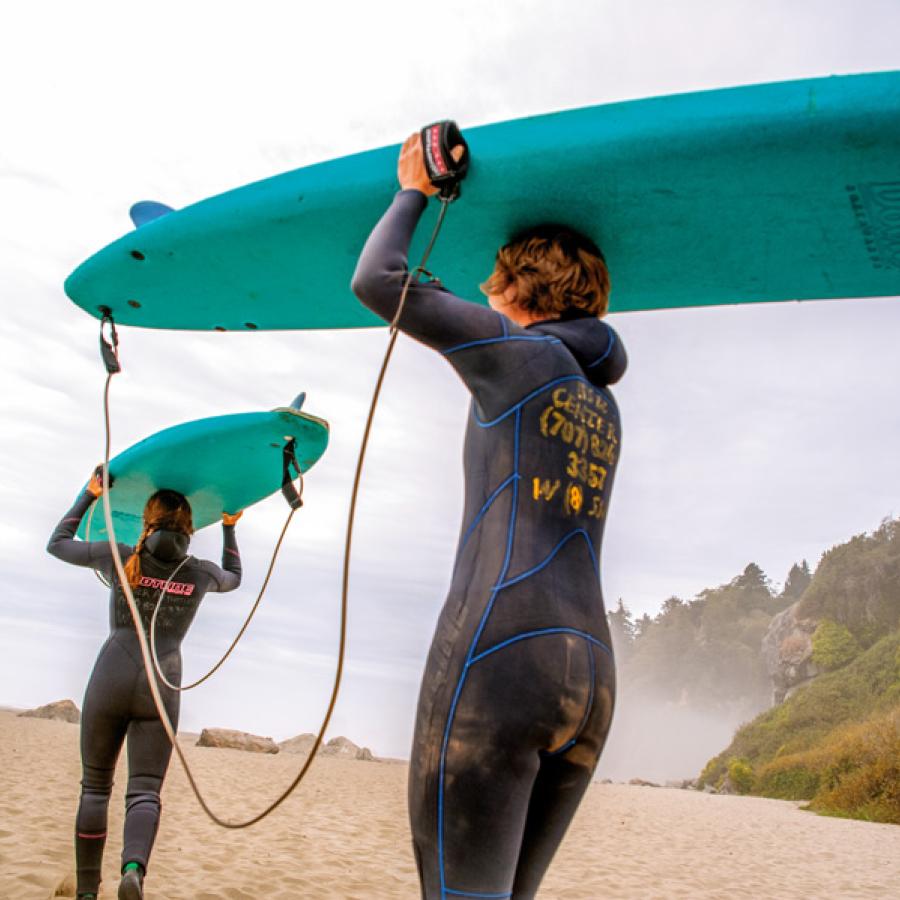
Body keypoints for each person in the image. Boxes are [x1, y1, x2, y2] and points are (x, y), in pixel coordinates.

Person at [351, 133, 627, 899]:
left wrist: (413, 187)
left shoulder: (520, 355)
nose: (482, 288)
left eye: (494, 280)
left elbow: (378, 280)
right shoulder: (601, 405)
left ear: (522, 293)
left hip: (501, 658)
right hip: (591, 678)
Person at [47, 470, 243, 900]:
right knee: (145, 790)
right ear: (191, 529)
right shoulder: (202, 572)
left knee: (96, 788)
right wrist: (229, 527)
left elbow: (58, 543)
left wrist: (89, 495)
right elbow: (235, 576)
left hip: (112, 673)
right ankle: (133, 871)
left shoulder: (119, 556)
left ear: (146, 522)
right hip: (162, 680)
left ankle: (85, 893)